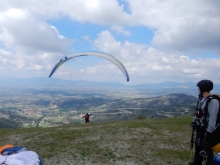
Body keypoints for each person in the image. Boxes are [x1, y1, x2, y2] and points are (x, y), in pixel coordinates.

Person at [190, 80, 219, 165]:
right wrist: (194, 122)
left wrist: (209, 132)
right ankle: (197, 162)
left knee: (206, 149)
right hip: (200, 128)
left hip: (207, 130)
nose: (198, 89)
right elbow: (198, 113)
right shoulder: (202, 99)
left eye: (199, 87)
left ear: (202, 88)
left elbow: (213, 118)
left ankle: (209, 163)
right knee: (198, 146)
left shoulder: (213, 101)